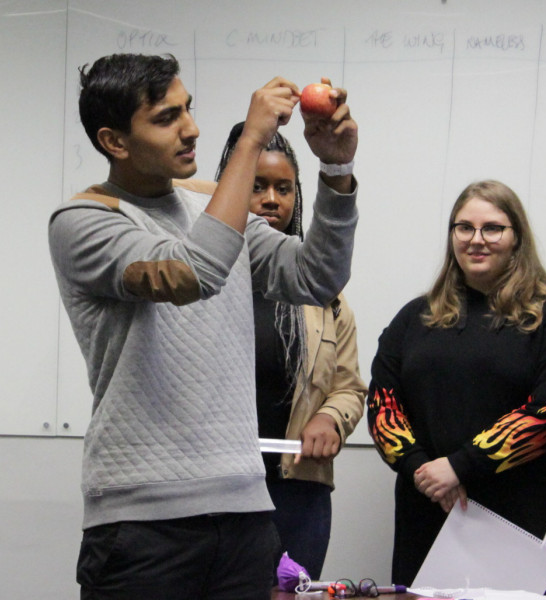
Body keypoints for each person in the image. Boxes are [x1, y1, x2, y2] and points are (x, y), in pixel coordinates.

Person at [48, 53, 359, 600]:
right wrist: (250, 142)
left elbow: (316, 278)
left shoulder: (211, 205)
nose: (190, 128)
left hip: (245, 511)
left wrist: (335, 171)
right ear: (115, 141)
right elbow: (194, 273)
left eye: (188, 109)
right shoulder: (83, 221)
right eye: (166, 117)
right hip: (142, 524)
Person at [366, 180, 546, 597]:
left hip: (518, 525)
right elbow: (382, 404)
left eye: (493, 228)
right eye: (464, 228)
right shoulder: (414, 317)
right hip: (426, 512)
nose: (476, 240)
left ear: (516, 237)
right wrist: (421, 468)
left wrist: (459, 467)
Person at [215, 124, 366, 579]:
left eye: (284, 188)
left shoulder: (326, 298)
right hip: (217, 486)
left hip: (297, 489)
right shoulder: (204, 284)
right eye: (256, 185)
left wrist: (330, 419)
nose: (270, 199)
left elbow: (350, 388)